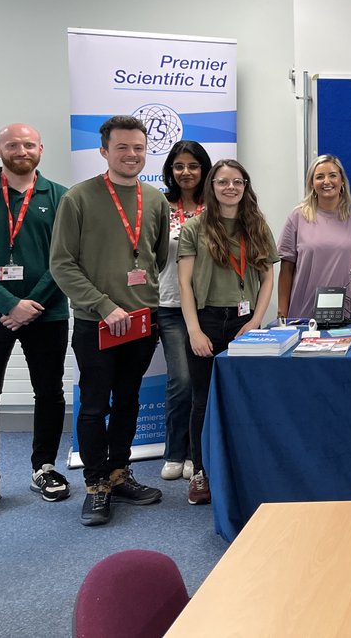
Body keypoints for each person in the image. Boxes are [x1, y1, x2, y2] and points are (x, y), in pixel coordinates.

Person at [50, 115, 169, 526]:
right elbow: (61, 264)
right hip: (96, 322)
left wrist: (139, 302)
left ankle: (119, 473)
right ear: (104, 151)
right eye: (122, 147)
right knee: (94, 404)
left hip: (140, 320)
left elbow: (156, 257)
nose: (131, 154)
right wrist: (103, 305)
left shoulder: (155, 199)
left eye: (138, 147)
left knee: (129, 400)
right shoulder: (77, 199)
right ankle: (96, 484)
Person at [0, 124, 70, 518]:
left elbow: (64, 258)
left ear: (41, 148)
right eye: (11, 145)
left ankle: (45, 467)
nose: (20, 150)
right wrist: (9, 303)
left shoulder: (60, 197)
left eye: (27, 144)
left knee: (49, 392)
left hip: (47, 311)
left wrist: (31, 303)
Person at [178, 160, 279, 506]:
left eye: (237, 182)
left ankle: (242, 466)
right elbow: (185, 284)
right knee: (202, 399)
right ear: (212, 187)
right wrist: (193, 330)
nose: (230, 187)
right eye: (223, 182)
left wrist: (255, 322)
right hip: (205, 320)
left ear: (245, 186)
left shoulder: (256, 225)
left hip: (244, 322)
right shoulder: (194, 228)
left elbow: (267, 278)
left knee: (244, 396)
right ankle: (201, 472)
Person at [157, 140, 212, 481]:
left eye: (193, 166)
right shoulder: (159, 206)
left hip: (209, 306)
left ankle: (197, 454)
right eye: (179, 166)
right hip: (171, 304)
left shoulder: (216, 206)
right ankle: (174, 451)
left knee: (202, 385)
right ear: (171, 171)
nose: (187, 172)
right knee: (181, 381)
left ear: (204, 169)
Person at [278, 154, 351, 323]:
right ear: (312, 183)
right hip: (302, 315)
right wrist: (282, 313)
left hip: (348, 315)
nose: (327, 181)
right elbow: (286, 268)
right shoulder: (297, 217)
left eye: (333, 175)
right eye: (319, 177)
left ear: (342, 181)